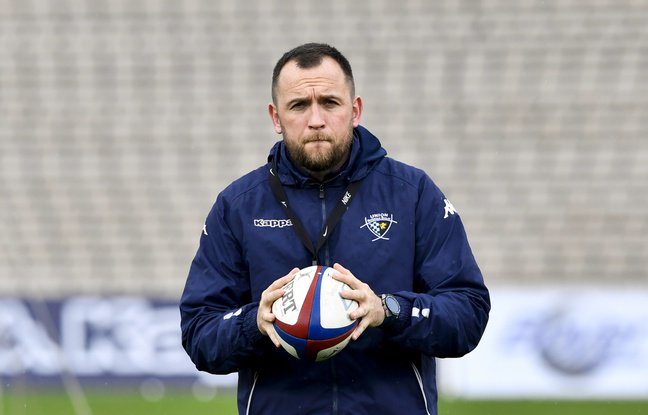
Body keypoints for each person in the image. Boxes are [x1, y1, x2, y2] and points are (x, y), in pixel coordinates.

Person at [180, 43, 490, 415]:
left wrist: (389, 310)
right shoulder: (239, 205)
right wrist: (254, 323)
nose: (316, 120)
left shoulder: (412, 193)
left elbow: (468, 312)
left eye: (329, 102)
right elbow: (199, 332)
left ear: (354, 110)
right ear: (276, 117)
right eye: (298, 105)